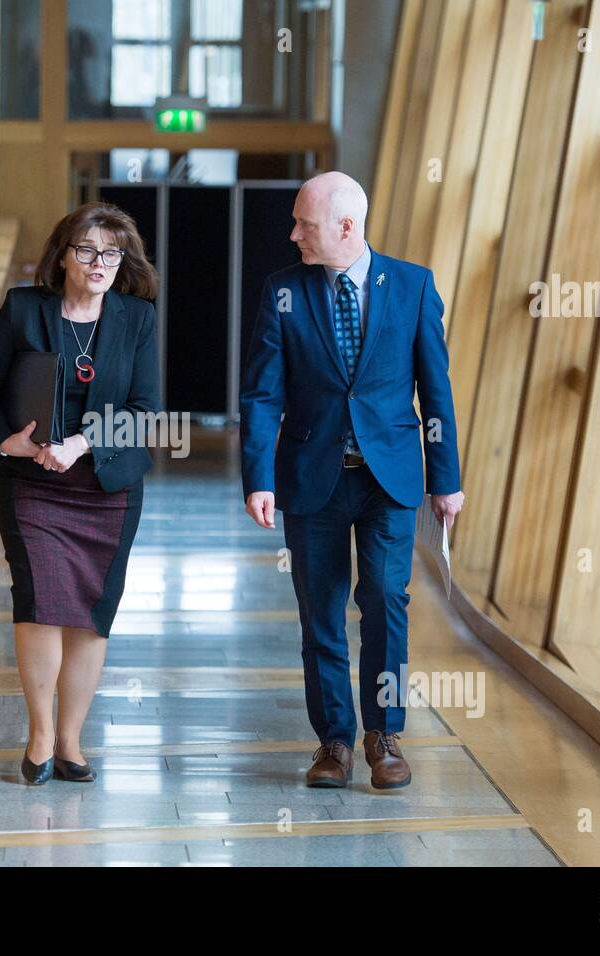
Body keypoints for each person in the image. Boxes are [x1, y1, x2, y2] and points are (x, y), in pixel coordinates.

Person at [239, 171, 465, 790]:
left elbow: (435, 389)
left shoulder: (413, 286)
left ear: (346, 227)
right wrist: (257, 476)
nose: (293, 236)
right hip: (312, 478)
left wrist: (446, 480)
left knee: (387, 603)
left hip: (388, 479)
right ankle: (334, 741)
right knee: (321, 611)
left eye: (304, 226)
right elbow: (261, 392)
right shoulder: (283, 291)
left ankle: (383, 735)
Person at [0, 201, 160, 786]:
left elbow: (145, 411)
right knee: (42, 603)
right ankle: (41, 733)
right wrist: (8, 442)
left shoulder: (137, 319)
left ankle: (73, 740)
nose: (100, 263)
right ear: (64, 255)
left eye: (112, 253)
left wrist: (80, 443)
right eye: (89, 250)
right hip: (32, 485)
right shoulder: (24, 310)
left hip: (108, 486)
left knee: (92, 617)